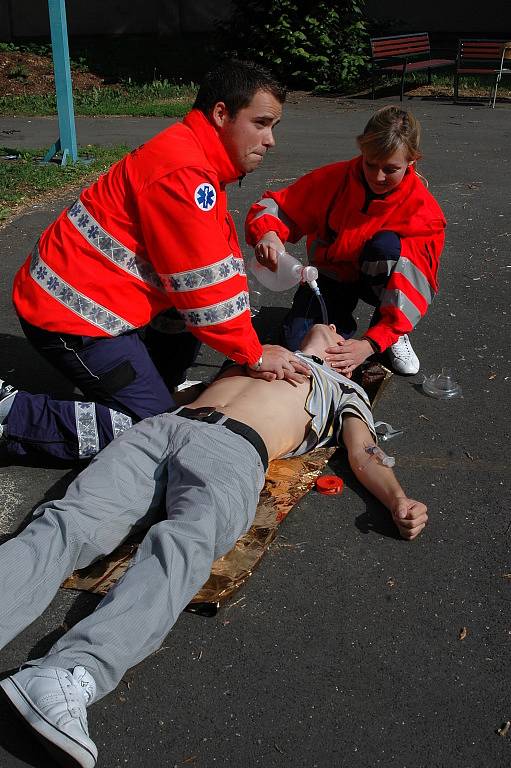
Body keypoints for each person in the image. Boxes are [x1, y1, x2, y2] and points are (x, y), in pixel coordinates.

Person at [0, 323, 428, 768]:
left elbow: (363, 455)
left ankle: (69, 675)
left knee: (184, 547)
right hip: (161, 429)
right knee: (67, 523)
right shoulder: (257, 349)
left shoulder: (343, 390)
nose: (335, 327)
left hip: (235, 451)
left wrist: (398, 499)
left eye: (341, 330)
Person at [0, 59, 309, 461]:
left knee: (177, 330)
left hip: (82, 298)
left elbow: (203, 263)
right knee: (147, 430)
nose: (270, 140)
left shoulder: (189, 154)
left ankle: (151, 385)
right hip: (74, 317)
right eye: (262, 123)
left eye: (273, 127)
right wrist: (252, 352)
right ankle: (12, 415)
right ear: (221, 114)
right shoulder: (185, 173)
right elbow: (203, 286)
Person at [246, 105, 446, 376]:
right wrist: (268, 233)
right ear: (361, 150)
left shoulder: (423, 212)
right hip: (331, 276)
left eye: (390, 169)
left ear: (412, 160)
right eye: (371, 164)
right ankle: (338, 322)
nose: (377, 177)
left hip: (383, 282)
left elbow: (415, 285)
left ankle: (392, 332)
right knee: (298, 346)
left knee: (386, 247)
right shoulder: (333, 179)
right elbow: (277, 206)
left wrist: (370, 343)